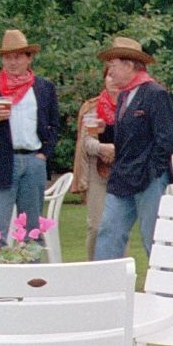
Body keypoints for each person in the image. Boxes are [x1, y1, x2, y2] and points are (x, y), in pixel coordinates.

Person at [92, 36, 173, 261]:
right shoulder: (124, 95)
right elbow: (127, 139)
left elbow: (166, 138)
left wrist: (153, 171)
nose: (109, 72)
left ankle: (165, 289)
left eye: (113, 66)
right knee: (108, 231)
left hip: (148, 177)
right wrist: (106, 130)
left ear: (129, 65)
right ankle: (106, 288)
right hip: (122, 175)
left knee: (153, 238)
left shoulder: (155, 93)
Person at [0, 28, 59, 243]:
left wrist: (44, 154)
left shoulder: (44, 87)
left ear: (29, 58)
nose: (12, 62)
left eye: (17, 57)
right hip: (0, 160)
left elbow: (53, 124)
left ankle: (32, 275)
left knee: (32, 230)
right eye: (7, 57)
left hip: (34, 160)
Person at [71, 67, 122, 260]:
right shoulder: (93, 107)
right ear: (104, 80)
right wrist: (102, 148)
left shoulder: (132, 105)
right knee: (96, 225)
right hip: (96, 170)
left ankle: (118, 274)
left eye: (116, 74)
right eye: (109, 75)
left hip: (124, 171)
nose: (114, 80)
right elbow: (86, 141)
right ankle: (93, 269)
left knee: (118, 226)